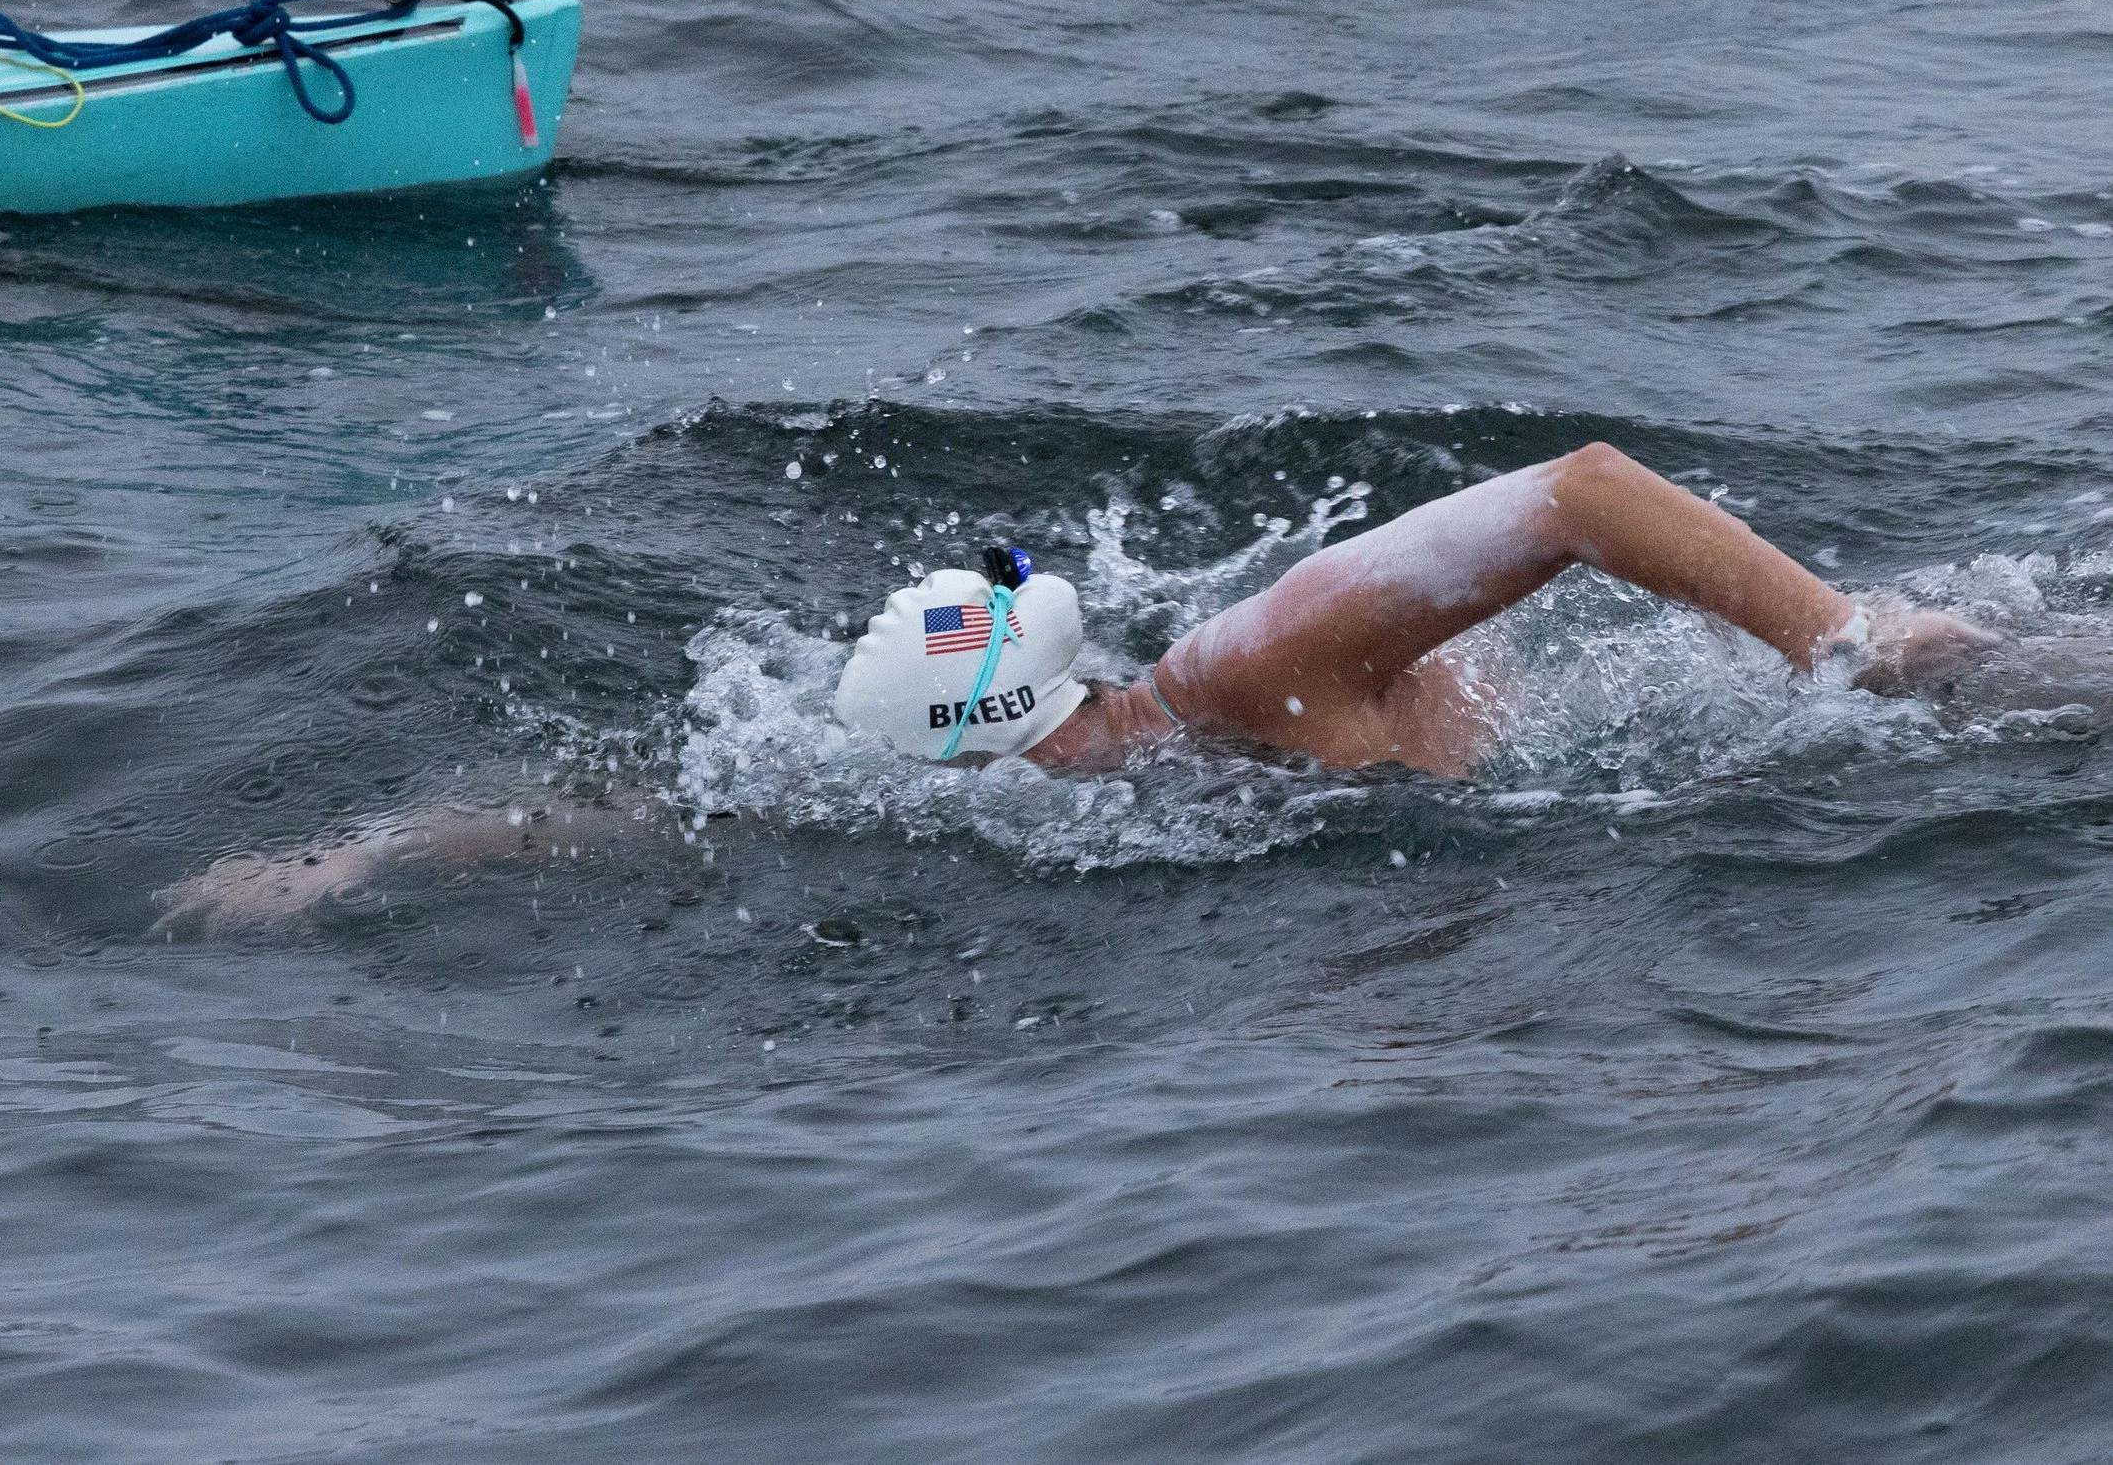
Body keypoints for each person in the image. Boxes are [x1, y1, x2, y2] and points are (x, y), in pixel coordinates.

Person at [159, 443, 2000, 925]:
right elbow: (681, 819)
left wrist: (1848, 654)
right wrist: (380, 853)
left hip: (1868, 709)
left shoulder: (1263, 662)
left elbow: (1589, 491)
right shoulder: (1086, 771)